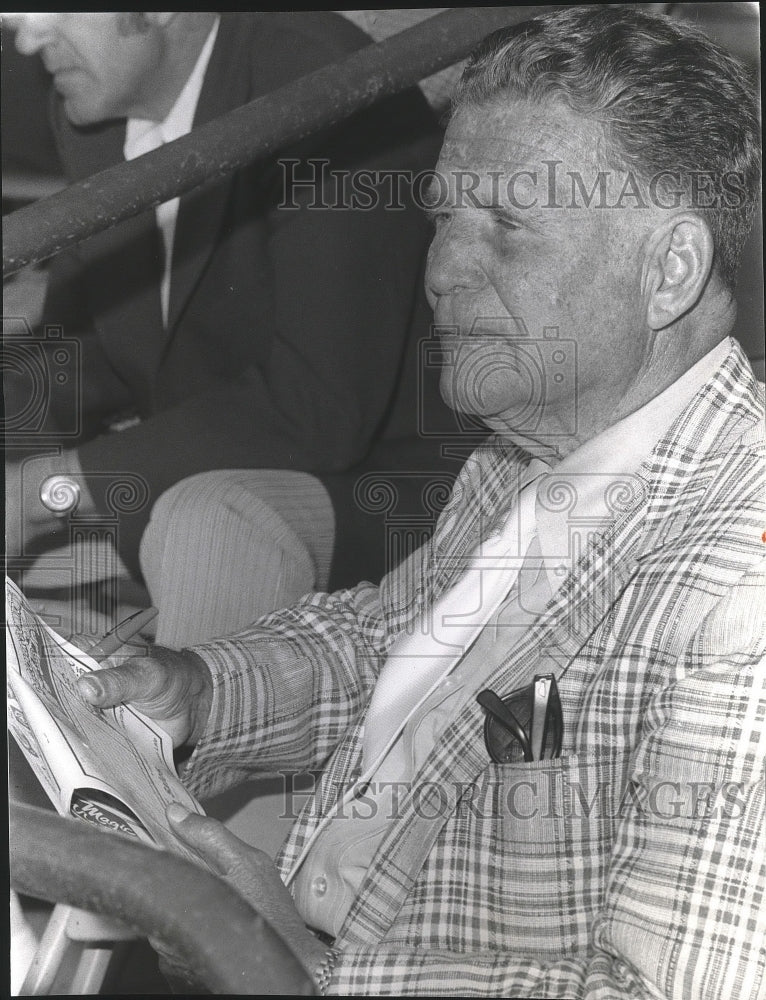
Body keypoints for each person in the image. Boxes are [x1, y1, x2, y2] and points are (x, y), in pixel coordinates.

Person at [76, 7, 764, 996]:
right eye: (443, 215)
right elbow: (385, 648)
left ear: (671, 270)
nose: (441, 271)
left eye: (508, 226)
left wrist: (299, 968)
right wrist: (197, 691)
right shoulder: (525, 452)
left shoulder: (740, 581)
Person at [4, 11, 449, 642]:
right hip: (205, 460)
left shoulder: (317, 82)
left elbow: (316, 411)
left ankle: (179, 734)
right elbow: (108, 352)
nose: (26, 37)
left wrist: (39, 492)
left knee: (203, 525)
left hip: (386, 486)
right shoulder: (94, 108)